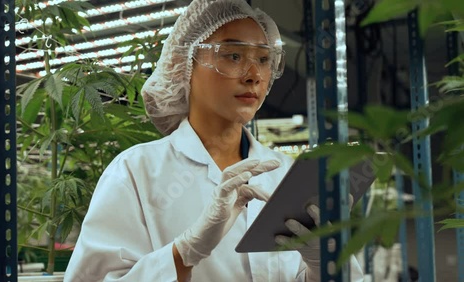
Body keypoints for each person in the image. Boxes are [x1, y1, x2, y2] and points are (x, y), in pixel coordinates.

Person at [64, 0, 363, 281]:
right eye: (233, 56)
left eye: (263, 59)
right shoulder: (135, 172)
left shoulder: (286, 175)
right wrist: (185, 252)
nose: (253, 75)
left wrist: (323, 264)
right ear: (183, 64)